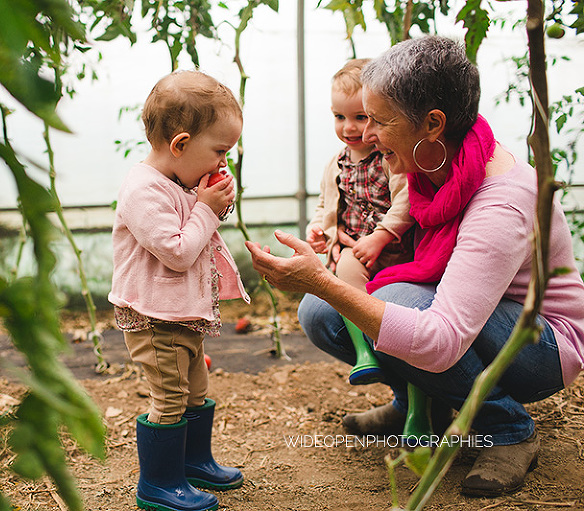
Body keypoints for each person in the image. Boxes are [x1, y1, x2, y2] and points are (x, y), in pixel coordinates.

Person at [245, 35, 584, 497]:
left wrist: (324, 282)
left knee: (387, 302)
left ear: (432, 123)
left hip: (539, 344)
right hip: (477, 320)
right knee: (320, 315)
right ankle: (419, 401)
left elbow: (440, 339)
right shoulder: (433, 166)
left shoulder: (502, 201)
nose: (364, 136)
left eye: (378, 121)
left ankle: (507, 430)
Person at [108, 70, 250, 511]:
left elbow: (197, 231)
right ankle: (159, 483)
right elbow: (176, 250)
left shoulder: (178, 182)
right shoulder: (142, 191)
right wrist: (206, 209)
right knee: (169, 399)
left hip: (180, 314)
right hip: (155, 320)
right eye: (219, 150)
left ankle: (194, 462)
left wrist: (212, 204)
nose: (223, 161)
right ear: (181, 144)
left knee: (194, 391)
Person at [307, 58, 413, 291]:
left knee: (347, 276)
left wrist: (380, 237)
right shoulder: (336, 164)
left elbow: (406, 201)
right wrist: (318, 230)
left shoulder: (389, 158)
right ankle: (362, 325)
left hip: (391, 252)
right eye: (339, 117)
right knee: (344, 271)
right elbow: (324, 205)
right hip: (355, 250)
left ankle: (368, 323)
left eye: (361, 117)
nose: (348, 128)